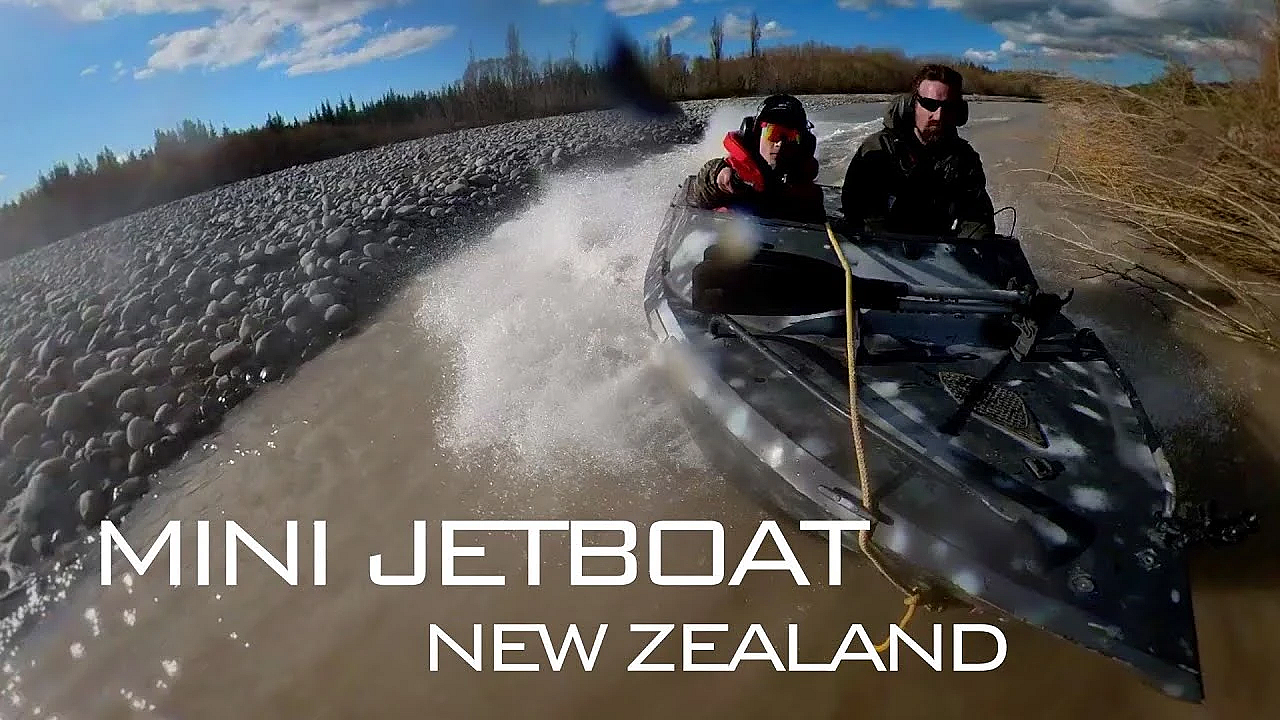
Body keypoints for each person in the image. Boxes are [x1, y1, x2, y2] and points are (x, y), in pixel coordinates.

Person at [840, 64, 996, 239]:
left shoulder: (964, 158)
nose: (938, 116)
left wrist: (975, 245)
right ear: (912, 105)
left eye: (948, 106)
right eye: (930, 104)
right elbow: (858, 212)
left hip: (937, 250)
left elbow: (977, 217)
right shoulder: (879, 149)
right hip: (884, 248)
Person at [689, 94, 826, 224]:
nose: (779, 143)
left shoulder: (805, 187)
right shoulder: (733, 170)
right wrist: (718, 180)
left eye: (791, 136)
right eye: (773, 133)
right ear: (755, 135)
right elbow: (701, 188)